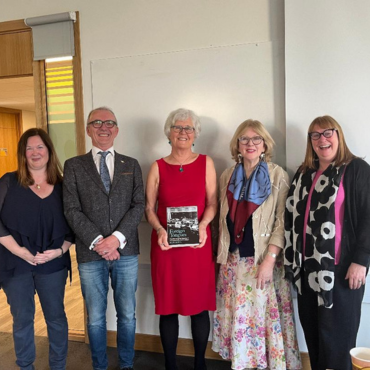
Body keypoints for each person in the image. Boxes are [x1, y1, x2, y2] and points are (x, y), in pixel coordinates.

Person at [212, 119, 302, 370]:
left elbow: (283, 223)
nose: (250, 144)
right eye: (244, 139)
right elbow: (222, 219)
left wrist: (270, 260)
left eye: (256, 139)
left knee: (260, 324)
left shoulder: (277, 174)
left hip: (262, 261)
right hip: (232, 261)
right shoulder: (227, 176)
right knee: (241, 325)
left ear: (264, 144)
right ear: (237, 145)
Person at [285, 115, 370, 370]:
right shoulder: (304, 173)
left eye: (327, 133)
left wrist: (361, 261)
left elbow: (369, 216)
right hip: (307, 271)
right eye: (315, 135)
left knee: (338, 343)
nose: (322, 139)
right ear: (310, 142)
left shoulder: (356, 169)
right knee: (314, 339)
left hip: (342, 271)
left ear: (338, 135)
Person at [63, 107, 145, 370]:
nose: (103, 127)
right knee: (96, 319)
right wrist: (100, 241)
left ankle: (126, 365)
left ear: (117, 130)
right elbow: (71, 209)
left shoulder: (130, 164)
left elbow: (138, 205)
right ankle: (99, 366)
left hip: (126, 252)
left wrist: (116, 239)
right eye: (96, 122)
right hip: (90, 254)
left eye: (109, 122)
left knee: (128, 317)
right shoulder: (73, 166)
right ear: (88, 130)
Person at [145, 108, 217, 370]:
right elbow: (149, 208)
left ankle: (200, 363)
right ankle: (170, 365)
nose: (183, 132)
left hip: (197, 245)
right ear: (169, 133)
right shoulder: (157, 167)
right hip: (166, 246)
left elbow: (212, 202)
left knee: (199, 307)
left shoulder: (206, 163)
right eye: (177, 127)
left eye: (188, 128)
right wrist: (159, 229)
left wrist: (204, 225)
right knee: (168, 307)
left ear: (195, 133)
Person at [0, 128, 73, 370]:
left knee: (56, 319)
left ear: (49, 151)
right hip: (15, 261)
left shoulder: (64, 186)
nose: (35, 152)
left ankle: (58, 366)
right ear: (22, 153)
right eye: (29, 148)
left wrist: (59, 251)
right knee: (22, 320)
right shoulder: (8, 182)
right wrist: (20, 252)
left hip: (52, 263)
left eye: (40, 147)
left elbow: (74, 225)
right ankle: (25, 366)